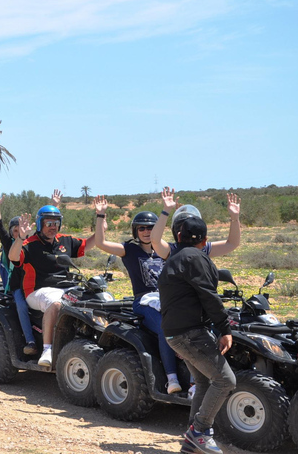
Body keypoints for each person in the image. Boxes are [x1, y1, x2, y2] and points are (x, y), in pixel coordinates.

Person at [158, 216, 235, 454]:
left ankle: (191, 443)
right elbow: (208, 295)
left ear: (178, 236)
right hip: (190, 333)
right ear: (205, 240)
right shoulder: (195, 258)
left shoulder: (174, 258)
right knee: (225, 380)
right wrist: (225, 328)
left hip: (174, 334)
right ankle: (199, 432)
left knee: (202, 381)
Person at [93, 196, 182, 393]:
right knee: (165, 328)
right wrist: (100, 215)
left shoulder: (165, 249)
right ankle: (171, 378)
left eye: (150, 227)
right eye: (141, 228)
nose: (146, 231)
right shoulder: (129, 250)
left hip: (168, 299)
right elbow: (100, 242)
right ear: (135, 231)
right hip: (144, 301)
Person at [9, 205, 96, 367]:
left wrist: (100, 219)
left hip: (68, 288)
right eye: (49, 223)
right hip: (37, 291)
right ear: (40, 223)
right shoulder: (30, 243)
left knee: (95, 298)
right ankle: (47, 349)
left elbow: (92, 243)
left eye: (56, 223)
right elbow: (13, 258)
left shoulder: (65, 241)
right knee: (55, 303)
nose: (53, 227)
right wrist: (20, 238)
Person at [0, 186, 61, 356]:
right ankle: (30, 341)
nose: (18, 233)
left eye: (20, 230)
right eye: (15, 231)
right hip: (17, 286)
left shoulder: (29, 243)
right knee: (21, 306)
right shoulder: (9, 244)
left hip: (33, 285)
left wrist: (54, 204)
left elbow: (48, 226)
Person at [151, 187, 241, 260]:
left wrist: (235, 217)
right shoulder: (172, 250)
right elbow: (155, 241)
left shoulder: (203, 248)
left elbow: (232, 243)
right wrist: (166, 210)